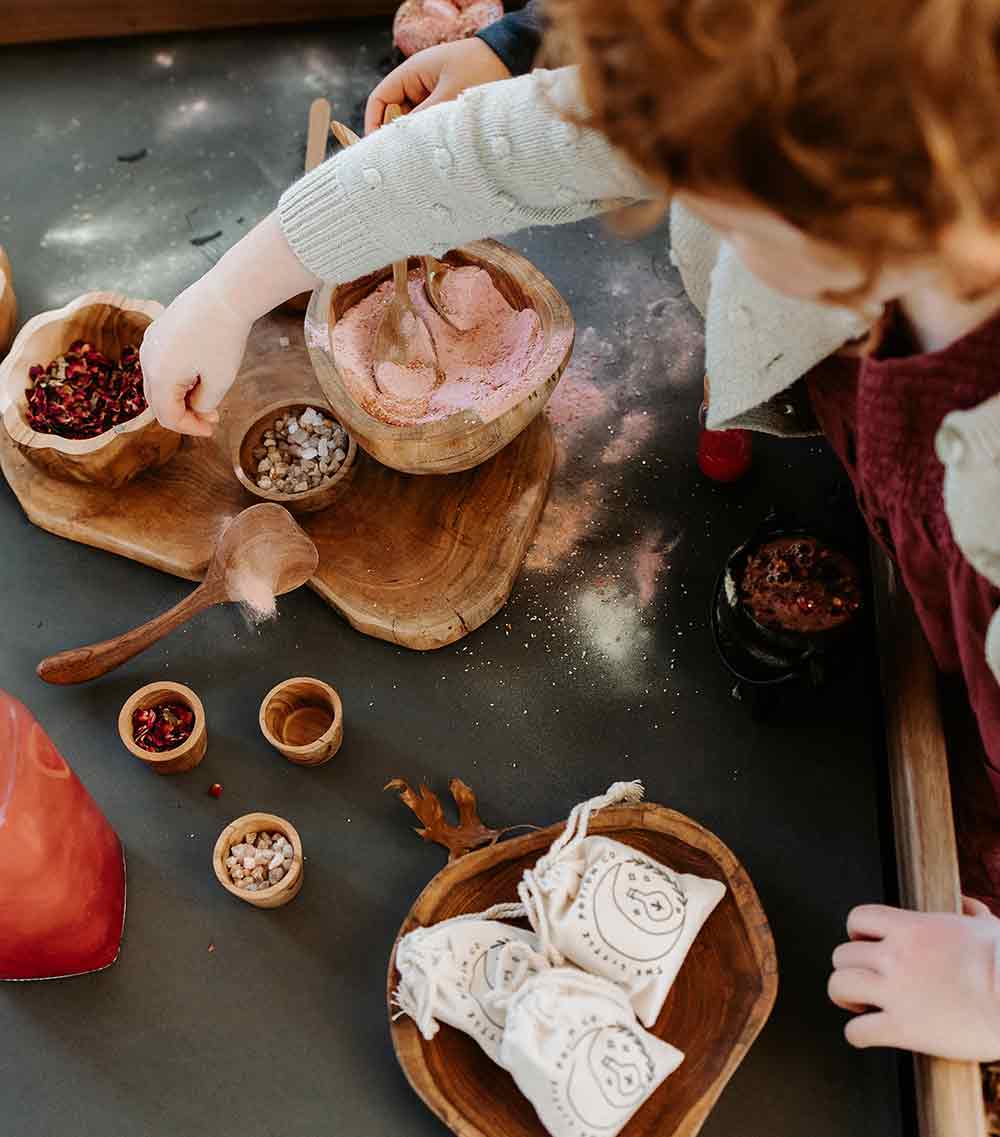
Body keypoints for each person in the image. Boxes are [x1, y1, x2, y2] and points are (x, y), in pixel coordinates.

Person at [140, 0, 1000, 1063]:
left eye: (721, 193)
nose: (670, 179)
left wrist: (988, 988)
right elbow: (495, 150)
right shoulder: (796, 79)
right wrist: (232, 290)